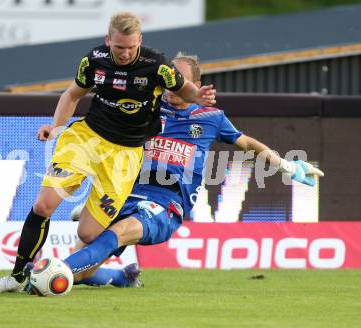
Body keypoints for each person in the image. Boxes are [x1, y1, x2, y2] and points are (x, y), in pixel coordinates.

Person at [39, 53, 324, 289]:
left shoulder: (211, 117)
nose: (172, 86)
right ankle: (120, 278)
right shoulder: (148, 106)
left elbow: (247, 143)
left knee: (119, 232)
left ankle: (49, 271)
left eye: (181, 81)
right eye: (169, 79)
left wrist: (286, 165)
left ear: (195, 85)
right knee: (83, 268)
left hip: (166, 200)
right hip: (126, 190)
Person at [0, 12, 216, 293]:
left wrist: (198, 97)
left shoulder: (157, 65)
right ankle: (17, 277)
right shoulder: (94, 60)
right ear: (108, 40)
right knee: (44, 206)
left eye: (131, 47)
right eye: (119, 47)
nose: (126, 53)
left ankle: (116, 275)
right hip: (86, 139)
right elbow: (72, 95)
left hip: (125, 155)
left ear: (140, 40)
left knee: (88, 233)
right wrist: (57, 127)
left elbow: (185, 88)